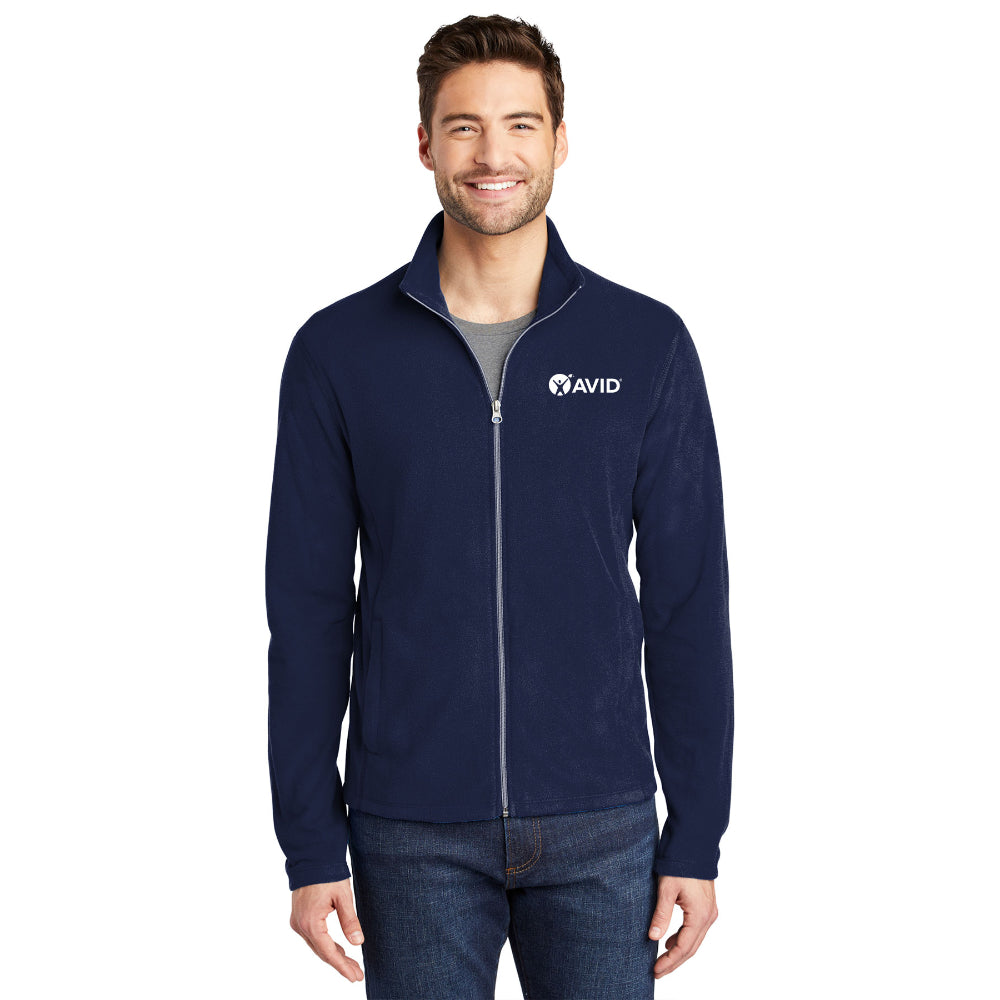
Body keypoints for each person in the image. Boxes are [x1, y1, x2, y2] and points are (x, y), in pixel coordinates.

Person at [265, 13, 734, 999]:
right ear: (425, 143)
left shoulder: (643, 344)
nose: (493, 154)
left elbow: (688, 603)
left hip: (603, 824)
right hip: (409, 830)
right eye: (464, 126)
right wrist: (309, 842)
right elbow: (306, 611)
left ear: (560, 141)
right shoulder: (338, 353)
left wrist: (697, 834)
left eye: (520, 125)